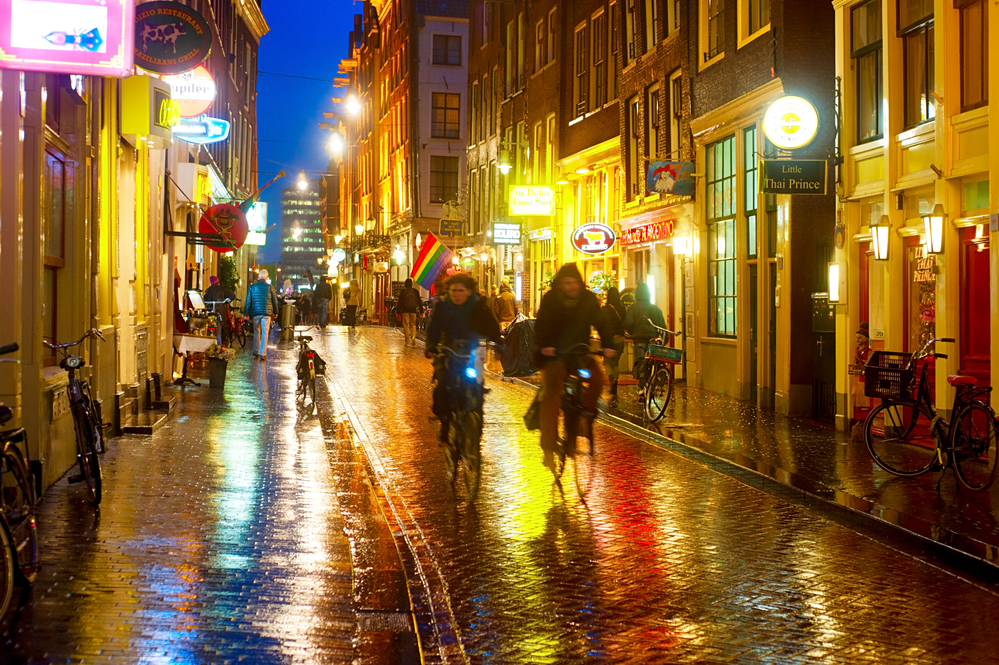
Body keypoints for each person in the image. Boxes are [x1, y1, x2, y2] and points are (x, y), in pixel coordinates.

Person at [534, 263, 616, 471]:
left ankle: (583, 417)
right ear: (560, 284)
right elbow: (541, 324)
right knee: (551, 394)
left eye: (574, 283)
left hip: (579, 354)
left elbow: (601, 322)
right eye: (567, 283)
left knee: (598, 379)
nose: (571, 287)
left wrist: (608, 344)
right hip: (556, 356)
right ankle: (549, 444)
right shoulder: (551, 299)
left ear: (580, 284)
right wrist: (545, 346)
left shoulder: (588, 299)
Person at [425, 274, 502, 444]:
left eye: (461, 290)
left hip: (472, 352)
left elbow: (491, 327)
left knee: (477, 387)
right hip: (449, 351)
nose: (457, 294)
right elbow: (434, 329)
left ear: (468, 291)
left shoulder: (479, 308)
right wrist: (431, 347)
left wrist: (498, 344)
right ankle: (445, 425)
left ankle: (476, 426)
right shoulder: (443, 308)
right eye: (453, 290)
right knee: (444, 385)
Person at [624, 282, 666, 397]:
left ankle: (642, 387)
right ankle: (654, 381)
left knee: (641, 362)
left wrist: (633, 332)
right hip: (653, 339)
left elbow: (628, 323)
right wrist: (663, 341)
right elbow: (663, 327)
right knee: (652, 360)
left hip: (639, 340)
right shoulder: (655, 309)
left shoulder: (633, 308)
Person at [244, 269, 280, 360]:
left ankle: (256, 351)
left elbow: (248, 301)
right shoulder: (270, 287)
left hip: (256, 312)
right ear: (266, 277)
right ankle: (263, 353)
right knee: (265, 332)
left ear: (258, 277)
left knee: (256, 331)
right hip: (267, 313)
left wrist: (246, 313)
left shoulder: (252, 287)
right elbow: (274, 301)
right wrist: (275, 312)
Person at [601, 287, 627, 408]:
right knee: (615, 363)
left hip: (610, 338)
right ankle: (615, 382)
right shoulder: (622, 308)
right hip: (621, 338)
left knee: (606, 362)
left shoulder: (605, 309)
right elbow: (626, 323)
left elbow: (601, 325)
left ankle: (611, 380)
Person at [397, 278, 422, 346]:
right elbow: (419, 301)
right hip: (413, 311)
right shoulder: (415, 291)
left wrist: (398, 311)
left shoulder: (403, 292)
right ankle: (413, 337)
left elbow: (399, 302)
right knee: (413, 325)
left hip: (405, 311)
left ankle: (407, 342)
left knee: (406, 326)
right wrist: (421, 311)